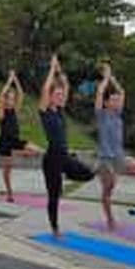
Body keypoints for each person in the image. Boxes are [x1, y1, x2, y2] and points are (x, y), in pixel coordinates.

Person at [37, 54, 94, 237]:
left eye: (62, 95)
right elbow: (46, 89)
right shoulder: (45, 111)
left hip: (65, 157)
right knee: (54, 197)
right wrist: (52, 69)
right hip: (52, 159)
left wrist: (60, 71)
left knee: (89, 173)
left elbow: (66, 85)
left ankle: (68, 173)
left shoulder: (61, 111)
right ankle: (55, 229)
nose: (61, 97)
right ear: (51, 97)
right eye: (57, 95)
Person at [94, 62, 135, 229]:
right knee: (108, 191)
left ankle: (114, 173)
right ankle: (110, 219)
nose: (117, 102)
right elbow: (100, 92)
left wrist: (113, 79)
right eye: (114, 100)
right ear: (106, 103)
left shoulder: (118, 115)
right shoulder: (102, 115)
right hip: (106, 159)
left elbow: (122, 92)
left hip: (119, 157)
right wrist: (105, 79)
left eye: (118, 101)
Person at [0, 70, 41, 202]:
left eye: (12, 98)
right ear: (5, 100)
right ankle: (9, 194)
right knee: (7, 170)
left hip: (15, 141)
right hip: (5, 142)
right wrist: (9, 80)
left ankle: (16, 153)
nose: (11, 100)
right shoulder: (2, 112)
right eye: (9, 98)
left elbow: (21, 94)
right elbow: (0, 97)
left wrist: (15, 79)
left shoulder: (14, 111)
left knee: (36, 150)